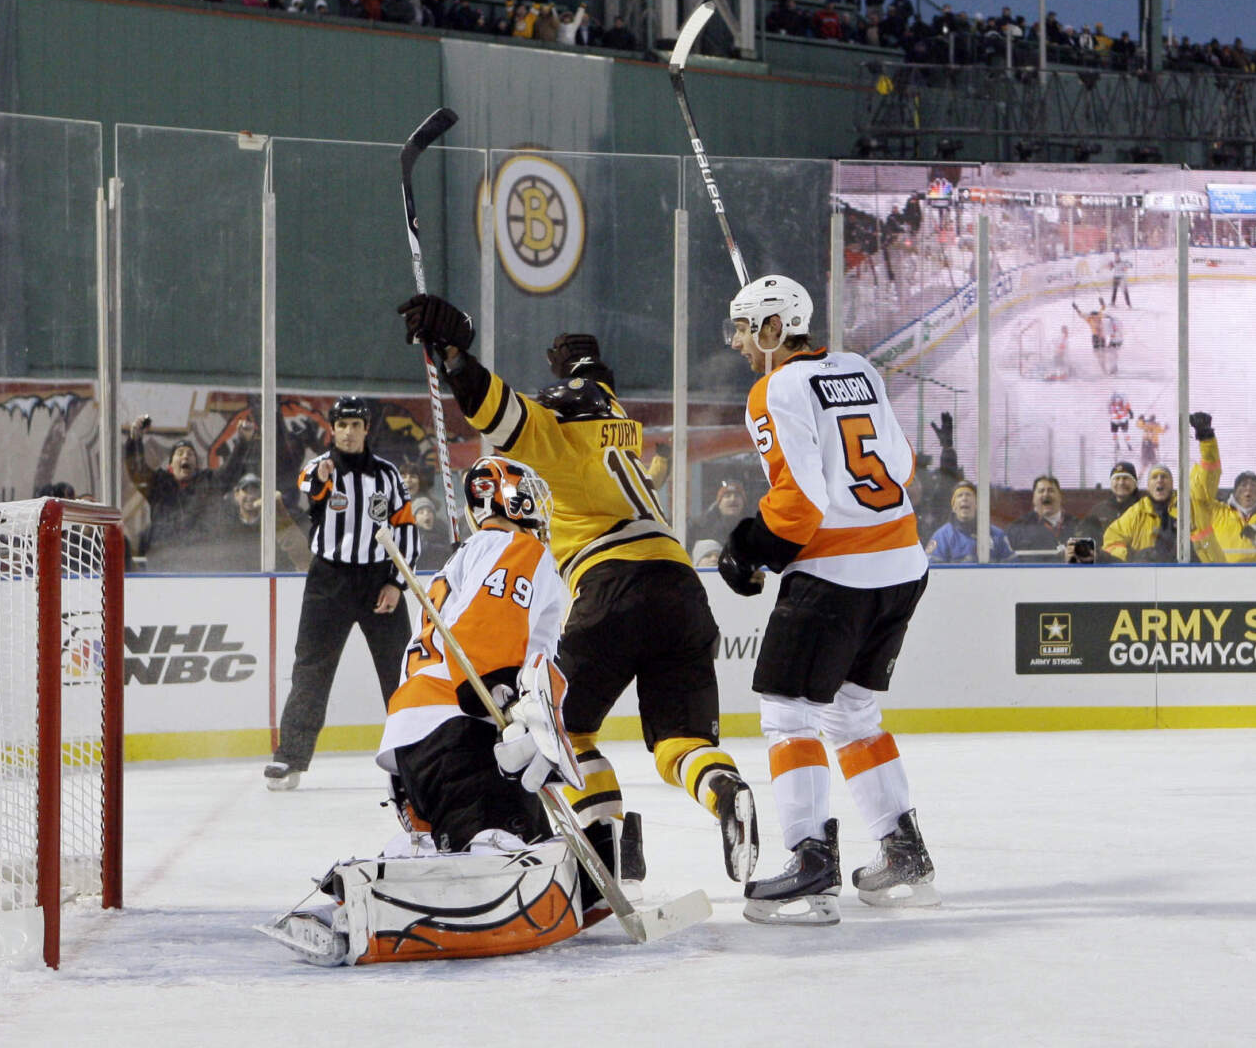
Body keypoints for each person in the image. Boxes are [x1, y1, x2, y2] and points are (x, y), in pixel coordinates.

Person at [397, 296, 757, 886]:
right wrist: (585, 373)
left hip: (611, 586)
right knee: (681, 741)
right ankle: (724, 791)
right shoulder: (623, 438)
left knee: (563, 732)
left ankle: (610, 849)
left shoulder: (556, 436)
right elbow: (596, 397)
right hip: (683, 588)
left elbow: (499, 411)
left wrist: (456, 356)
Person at [260, 457, 605, 967]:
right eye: (527, 489)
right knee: (499, 843)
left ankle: (370, 886)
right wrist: (491, 688)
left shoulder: (462, 560)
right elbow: (490, 627)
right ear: (503, 496)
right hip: (463, 725)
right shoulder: (518, 547)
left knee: (484, 841)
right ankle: (364, 912)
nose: (538, 501)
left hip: (416, 736)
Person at [714, 274, 936, 924]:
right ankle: (904, 853)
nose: (737, 342)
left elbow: (800, 501)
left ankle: (811, 861)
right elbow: (902, 467)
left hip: (838, 574)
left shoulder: (772, 389)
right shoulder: (860, 369)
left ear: (774, 328)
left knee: (787, 712)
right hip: (902, 565)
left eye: (744, 327)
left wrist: (748, 549)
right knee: (852, 710)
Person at [264, 396, 420, 790]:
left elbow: (406, 532)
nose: (348, 432)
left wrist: (396, 583)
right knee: (311, 669)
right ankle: (291, 757)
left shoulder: (388, 476)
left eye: (355, 425)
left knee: (400, 671)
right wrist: (319, 480)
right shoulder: (322, 468)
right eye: (342, 425)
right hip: (328, 581)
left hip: (377, 582)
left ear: (367, 429)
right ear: (332, 428)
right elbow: (309, 486)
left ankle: (414, 753)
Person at [121, 417, 236, 571]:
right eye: (180, 453)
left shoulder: (207, 483)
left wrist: (242, 441)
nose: (185, 456)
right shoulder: (158, 485)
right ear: (170, 466)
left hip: (200, 566)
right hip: (163, 564)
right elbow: (137, 469)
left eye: (190, 454)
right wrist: (135, 440)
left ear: (197, 464)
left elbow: (229, 473)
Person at [1185, 413, 1256, 562]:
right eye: (1243, 485)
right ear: (1234, 493)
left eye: (1254, 485)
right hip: (1224, 579)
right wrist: (1207, 440)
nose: (1248, 489)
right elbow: (1203, 486)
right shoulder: (1217, 513)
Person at [1100, 464, 1179, 562]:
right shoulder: (1137, 511)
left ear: (1172, 484)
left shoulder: (1185, 507)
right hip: (1143, 572)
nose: (1159, 480)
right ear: (1148, 486)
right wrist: (1132, 556)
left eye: (1164, 476)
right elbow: (1111, 541)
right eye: (1154, 477)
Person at [924, 483, 1011, 563]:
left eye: (968, 495)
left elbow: (1011, 568)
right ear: (953, 506)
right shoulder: (941, 537)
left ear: (977, 504)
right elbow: (933, 571)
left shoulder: (997, 535)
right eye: (960, 495)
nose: (964, 498)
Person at [1006, 475, 1077, 562]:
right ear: (1033, 498)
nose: (1046, 494)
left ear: (1060, 496)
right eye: (1041, 491)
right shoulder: (1017, 528)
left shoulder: (1078, 525)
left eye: (1051, 490)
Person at [1079, 461, 1143, 545]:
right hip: (1103, 557)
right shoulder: (1098, 511)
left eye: (1125, 478)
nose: (1121, 483)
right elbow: (1084, 541)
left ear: (1135, 483)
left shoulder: (1145, 510)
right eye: (1117, 478)